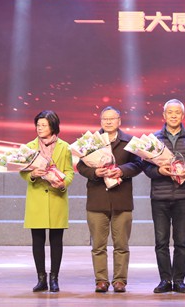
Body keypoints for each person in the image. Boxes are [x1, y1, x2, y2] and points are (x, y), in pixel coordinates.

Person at [139, 99, 185, 294]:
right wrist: (159, 171)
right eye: (170, 112)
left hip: (183, 196)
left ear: (183, 115)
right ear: (164, 115)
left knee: (181, 241)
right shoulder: (154, 139)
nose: (174, 115)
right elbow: (145, 166)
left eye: (177, 112)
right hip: (160, 196)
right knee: (161, 241)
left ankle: (179, 280)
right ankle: (165, 280)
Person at [76, 106, 142, 293]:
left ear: (119, 121)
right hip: (97, 199)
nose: (108, 122)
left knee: (121, 244)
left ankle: (120, 280)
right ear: (101, 121)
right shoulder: (90, 142)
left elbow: (138, 164)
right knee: (98, 245)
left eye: (112, 119)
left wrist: (122, 170)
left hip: (122, 199)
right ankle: (101, 280)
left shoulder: (129, 141)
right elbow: (81, 166)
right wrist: (95, 172)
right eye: (105, 119)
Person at [21, 110, 74, 293]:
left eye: (43, 125)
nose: (40, 128)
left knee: (56, 240)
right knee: (37, 240)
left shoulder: (64, 147)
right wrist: (32, 175)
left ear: (53, 126)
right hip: (36, 198)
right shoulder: (29, 147)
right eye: (38, 125)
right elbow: (22, 171)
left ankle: (54, 278)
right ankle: (41, 278)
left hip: (57, 197)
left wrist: (63, 183)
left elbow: (69, 171)